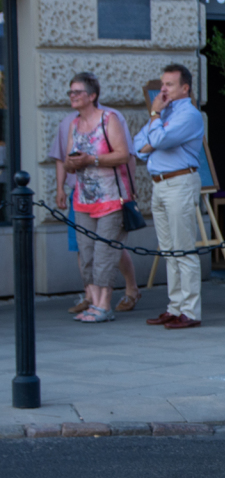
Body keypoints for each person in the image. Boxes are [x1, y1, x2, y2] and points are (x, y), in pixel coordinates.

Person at [49, 78, 141, 314]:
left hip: (111, 197)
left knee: (104, 252)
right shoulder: (73, 125)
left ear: (92, 96)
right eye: (71, 92)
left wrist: (91, 160)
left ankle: (104, 305)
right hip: (83, 200)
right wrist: (73, 163)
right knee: (87, 252)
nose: (72, 95)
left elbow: (123, 155)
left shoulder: (108, 119)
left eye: (78, 92)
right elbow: (67, 162)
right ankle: (93, 302)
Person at [134, 63, 204, 330]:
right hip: (159, 185)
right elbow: (139, 146)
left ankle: (190, 310)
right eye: (162, 84)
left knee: (183, 248)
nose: (162, 89)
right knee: (168, 249)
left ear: (184, 88)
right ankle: (174, 307)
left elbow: (158, 141)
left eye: (169, 85)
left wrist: (155, 119)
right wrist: (157, 132)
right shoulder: (165, 113)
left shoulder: (189, 115)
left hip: (180, 182)